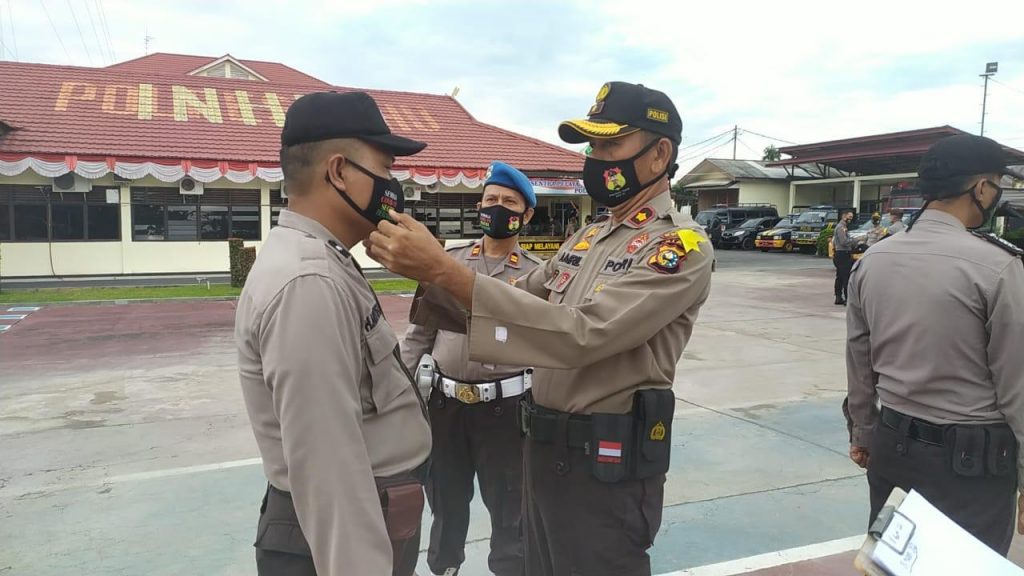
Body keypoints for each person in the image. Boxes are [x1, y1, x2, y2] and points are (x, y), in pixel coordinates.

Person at [367, 81, 713, 576]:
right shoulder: (590, 237)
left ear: (659, 154)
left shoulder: (677, 247)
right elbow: (518, 300)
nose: (596, 158)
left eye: (611, 145)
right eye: (592, 147)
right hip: (541, 448)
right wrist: (432, 273)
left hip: (603, 466)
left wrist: (445, 271)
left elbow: (582, 334)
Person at [235, 91, 432, 576]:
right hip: (342, 543)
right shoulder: (309, 281)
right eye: (385, 169)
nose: (393, 186)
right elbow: (328, 466)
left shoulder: (323, 259)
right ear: (339, 171)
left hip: (358, 526)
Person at [846, 134, 1024, 555]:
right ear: (981, 188)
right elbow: (1017, 384)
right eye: (997, 184)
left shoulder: (874, 259)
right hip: (971, 466)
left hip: (892, 447)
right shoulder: (997, 268)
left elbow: (859, 360)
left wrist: (863, 432)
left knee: (893, 563)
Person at [401, 161, 543, 576]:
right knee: (445, 505)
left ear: (526, 215)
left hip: (507, 413)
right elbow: (418, 338)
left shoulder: (537, 275)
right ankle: (445, 568)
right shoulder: (447, 264)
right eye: (491, 199)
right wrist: (399, 395)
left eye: (509, 202)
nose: (497, 207)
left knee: (510, 508)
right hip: (446, 408)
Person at [832, 209, 856, 305]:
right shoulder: (841, 227)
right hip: (843, 254)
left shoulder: (843, 227)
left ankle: (838, 297)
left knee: (840, 276)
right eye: (849, 217)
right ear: (844, 216)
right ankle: (846, 298)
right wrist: (855, 240)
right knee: (846, 277)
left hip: (841, 253)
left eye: (851, 217)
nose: (850, 219)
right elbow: (844, 242)